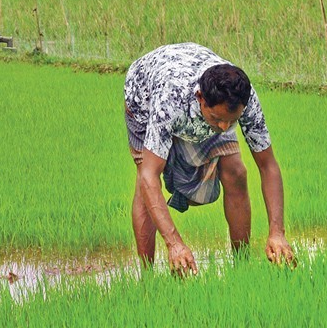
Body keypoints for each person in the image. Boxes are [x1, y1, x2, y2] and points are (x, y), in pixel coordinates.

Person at [123, 42, 295, 274]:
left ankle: (242, 269)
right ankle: (147, 278)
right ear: (200, 98)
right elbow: (149, 177)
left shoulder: (243, 99)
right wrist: (174, 244)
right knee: (145, 180)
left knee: (236, 171)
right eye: (217, 119)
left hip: (195, 92)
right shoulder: (170, 101)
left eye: (231, 120)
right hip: (144, 97)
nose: (224, 127)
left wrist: (277, 232)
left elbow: (268, 165)